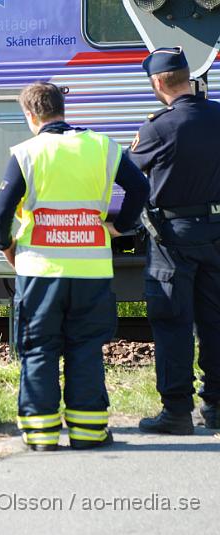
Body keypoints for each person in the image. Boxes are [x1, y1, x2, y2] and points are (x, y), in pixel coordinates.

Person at [0, 82, 149, 451]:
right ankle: (89, 431)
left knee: (39, 347)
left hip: (40, 271)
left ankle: (41, 434)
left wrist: (7, 246)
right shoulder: (102, 147)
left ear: (31, 115)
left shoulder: (27, 153)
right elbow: (139, 188)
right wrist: (119, 227)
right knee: (85, 348)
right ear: (63, 108)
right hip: (92, 270)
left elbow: (0, 212)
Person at [128, 47, 220, 434]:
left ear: (158, 82)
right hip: (216, 233)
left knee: (172, 323)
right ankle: (216, 408)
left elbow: (129, 176)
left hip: (172, 238)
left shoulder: (158, 128)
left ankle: (177, 412)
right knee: (215, 322)